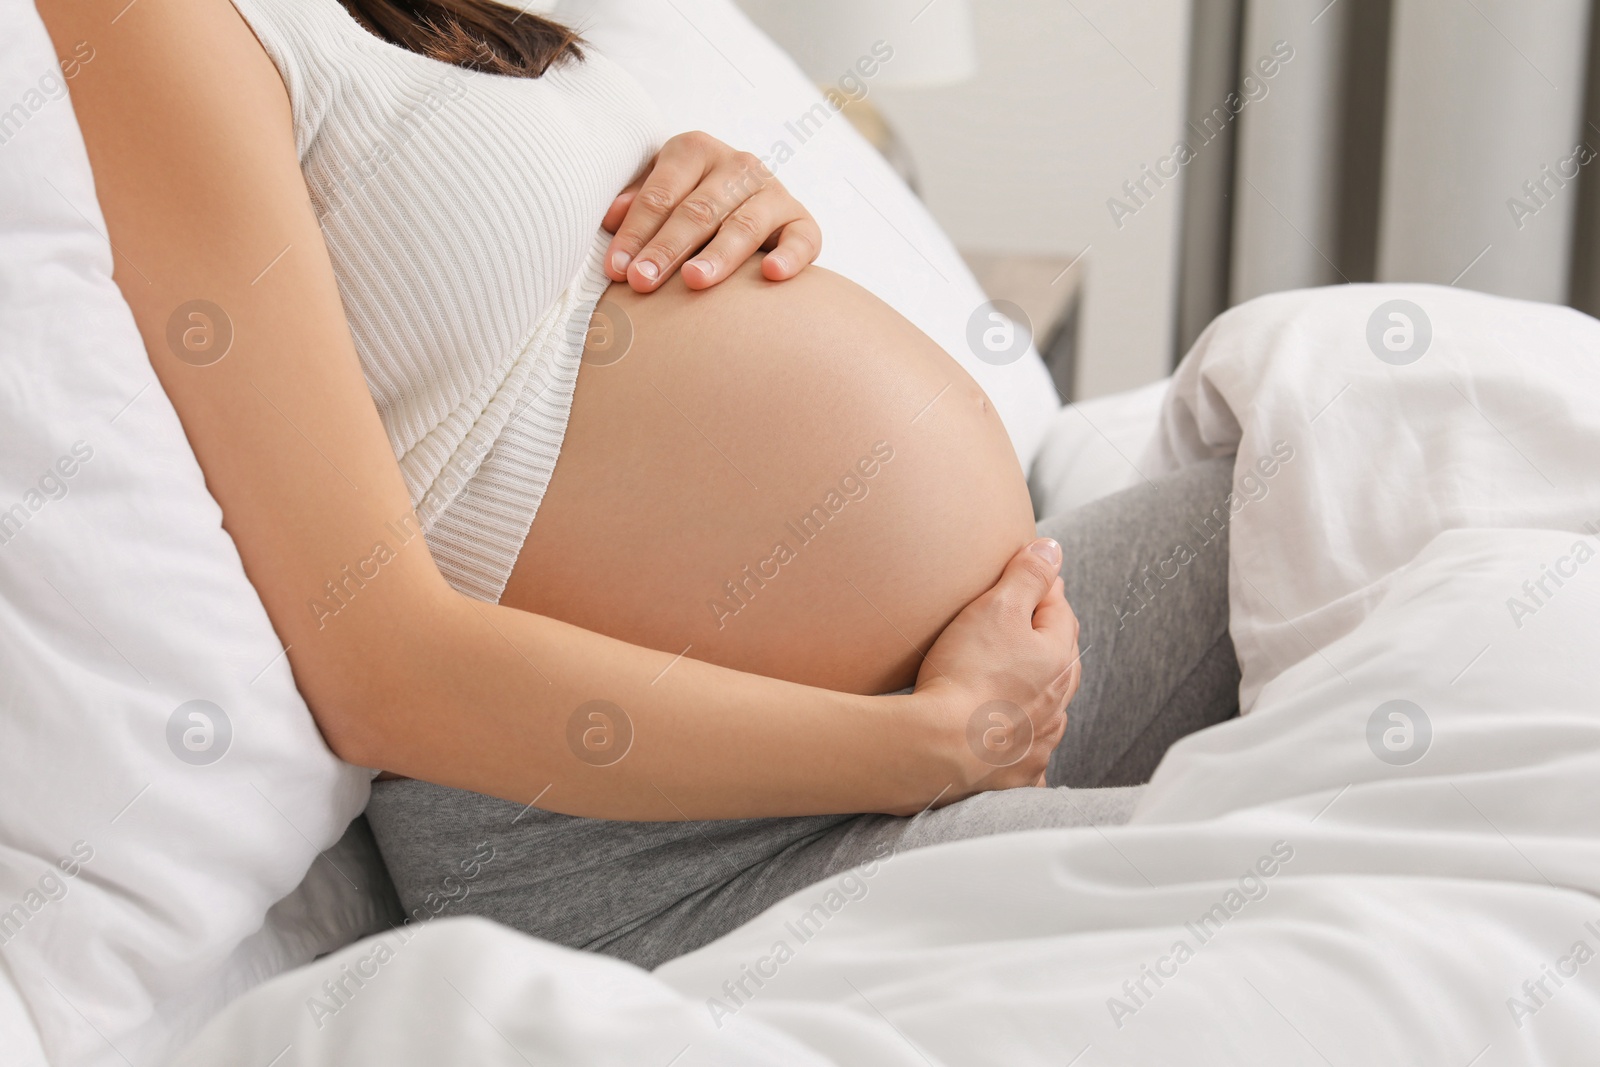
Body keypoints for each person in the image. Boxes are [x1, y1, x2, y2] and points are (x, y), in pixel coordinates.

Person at [39, 0, 1240, 969]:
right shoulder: (140, 18)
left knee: (1353, 466)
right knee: (1315, 863)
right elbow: (376, 664)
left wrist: (717, 189)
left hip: (958, 690)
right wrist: (925, 746)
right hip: (650, 848)